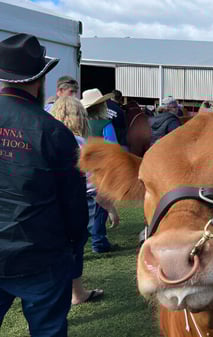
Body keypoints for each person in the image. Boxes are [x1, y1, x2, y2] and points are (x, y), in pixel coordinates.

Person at [0, 33, 88, 336]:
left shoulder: (54, 131)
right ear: (39, 80)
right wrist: (76, 242)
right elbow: (74, 201)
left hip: (32, 249)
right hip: (41, 252)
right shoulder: (53, 131)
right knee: (47, 331)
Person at [50, 96, 105, 304]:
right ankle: (76, 293)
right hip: (78, 204)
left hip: (49, 205)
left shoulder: (46, 138)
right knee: (75, 248)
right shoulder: (82, 144)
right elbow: (93, 183)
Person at [81, 88, 119, 252]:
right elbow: (113, 149)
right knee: (100, 207)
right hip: (99, 171)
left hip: (81, 168)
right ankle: (99, 241)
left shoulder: (79, 124)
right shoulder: (105, 124)